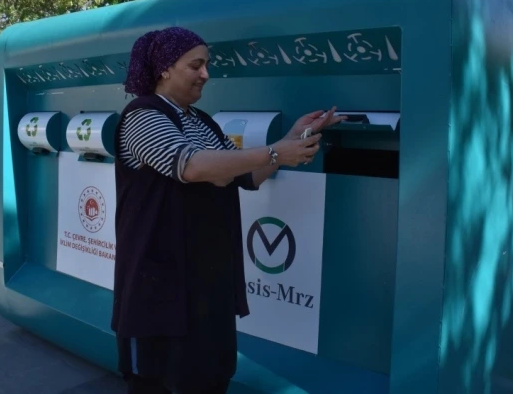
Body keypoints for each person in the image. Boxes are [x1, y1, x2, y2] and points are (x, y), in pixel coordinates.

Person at [111, 27, 346, 394]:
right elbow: (191, 166)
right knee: (158, 380)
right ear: (164, 69)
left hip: (207, 282)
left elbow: (246, 176)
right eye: (196, 65)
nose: (206, 74)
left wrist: (292, 140)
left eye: (207, 65)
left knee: (208, 377)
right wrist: (274, 152)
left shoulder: (201, 121)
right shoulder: (143, 115)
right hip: (160, 284)